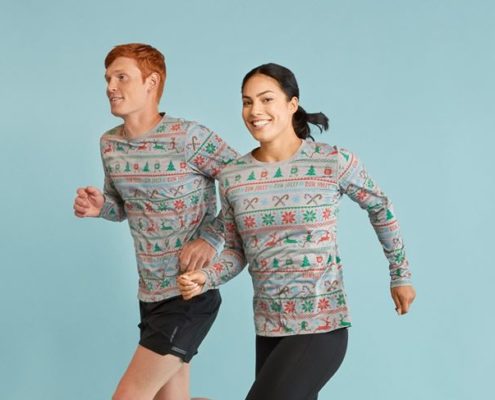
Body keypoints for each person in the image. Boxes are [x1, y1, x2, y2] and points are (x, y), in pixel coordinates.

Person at [178, 63, 416, 400]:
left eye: (266, 99)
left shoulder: (332, 161)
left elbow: (380, 206)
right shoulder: (233, 177)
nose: (255, 111)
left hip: (320, 324)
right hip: (268, 328)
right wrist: (206, 277)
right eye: (247, 102)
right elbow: (236, 251)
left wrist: (400, 275)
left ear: (292, 104)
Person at [72, 43, 239, 400]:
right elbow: (122, 206)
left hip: (189, 294)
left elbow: (247, 185)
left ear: (151, 82)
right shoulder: (110, 144)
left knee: (128, 396)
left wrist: (211, 238)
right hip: (149, 294)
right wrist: (101, 206)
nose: (110, 87)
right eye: (107, 78)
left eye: (122, 77)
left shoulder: (188, 137)